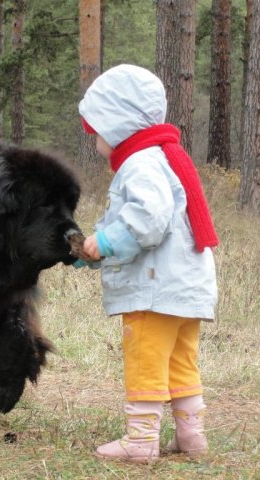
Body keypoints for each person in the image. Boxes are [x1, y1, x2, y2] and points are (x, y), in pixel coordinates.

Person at [76, 64, 218, 463]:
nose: (95, 139)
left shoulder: (140, 163)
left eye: (98, 129)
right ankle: (191, 435)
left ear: (120, 124)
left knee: (145, 359)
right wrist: (96, 250)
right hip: (184, 286)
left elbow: (147, 220)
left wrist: (104, 242)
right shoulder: (165, 156)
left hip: (155, 290)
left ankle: (140, 441)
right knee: (179, 361)